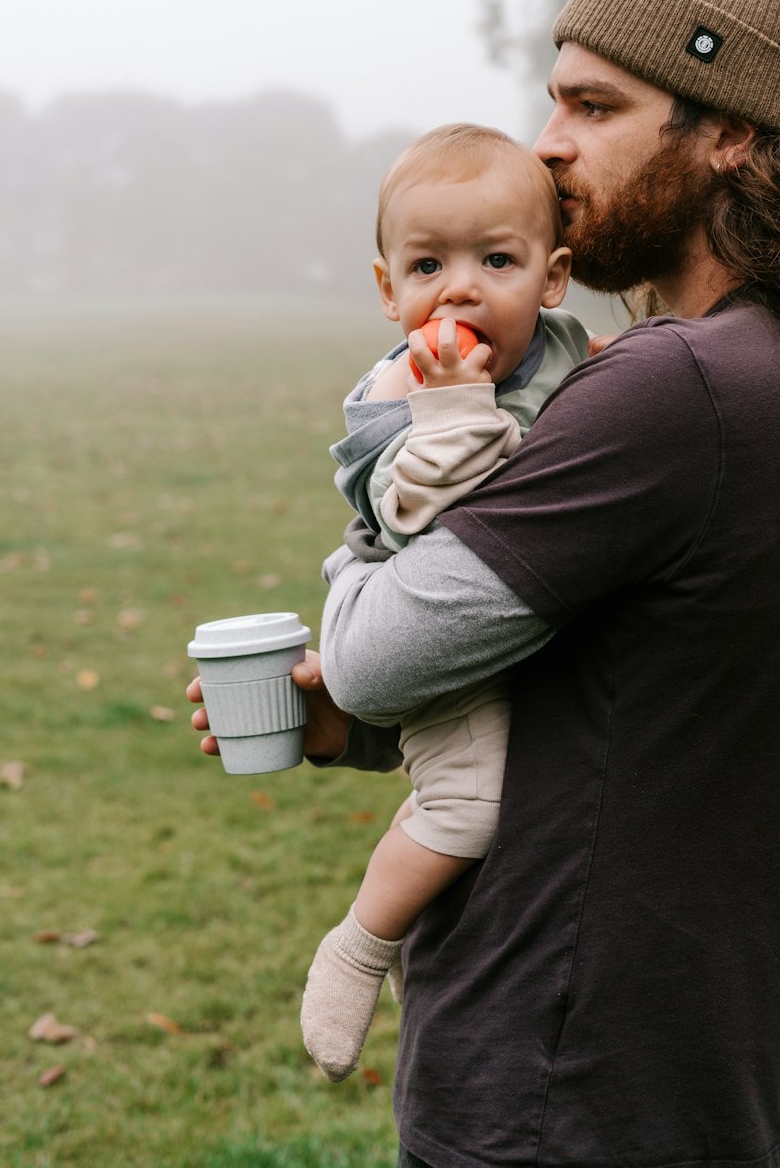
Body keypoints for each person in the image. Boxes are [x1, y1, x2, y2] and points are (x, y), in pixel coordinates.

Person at [189, 0, 780, 1168]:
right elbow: (624, 664)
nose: (546, 151)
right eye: (552, 103)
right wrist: (354, 731)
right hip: (691, 1074)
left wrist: (355, 612)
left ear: (731, 134)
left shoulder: (676, 388)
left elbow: (375, 653)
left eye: (594, 109)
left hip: (560, 1085)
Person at [298, 123, 587, 1081]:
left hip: (497, 618)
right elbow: (413, 506)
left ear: (552, 280)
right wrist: (455, 406)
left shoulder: (564, 352)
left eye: (495, 259)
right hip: (411, 597)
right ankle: (360, 943)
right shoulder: (399, 390)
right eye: (428, 264)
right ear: (389, 291)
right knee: (468, 805)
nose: (459, 287)